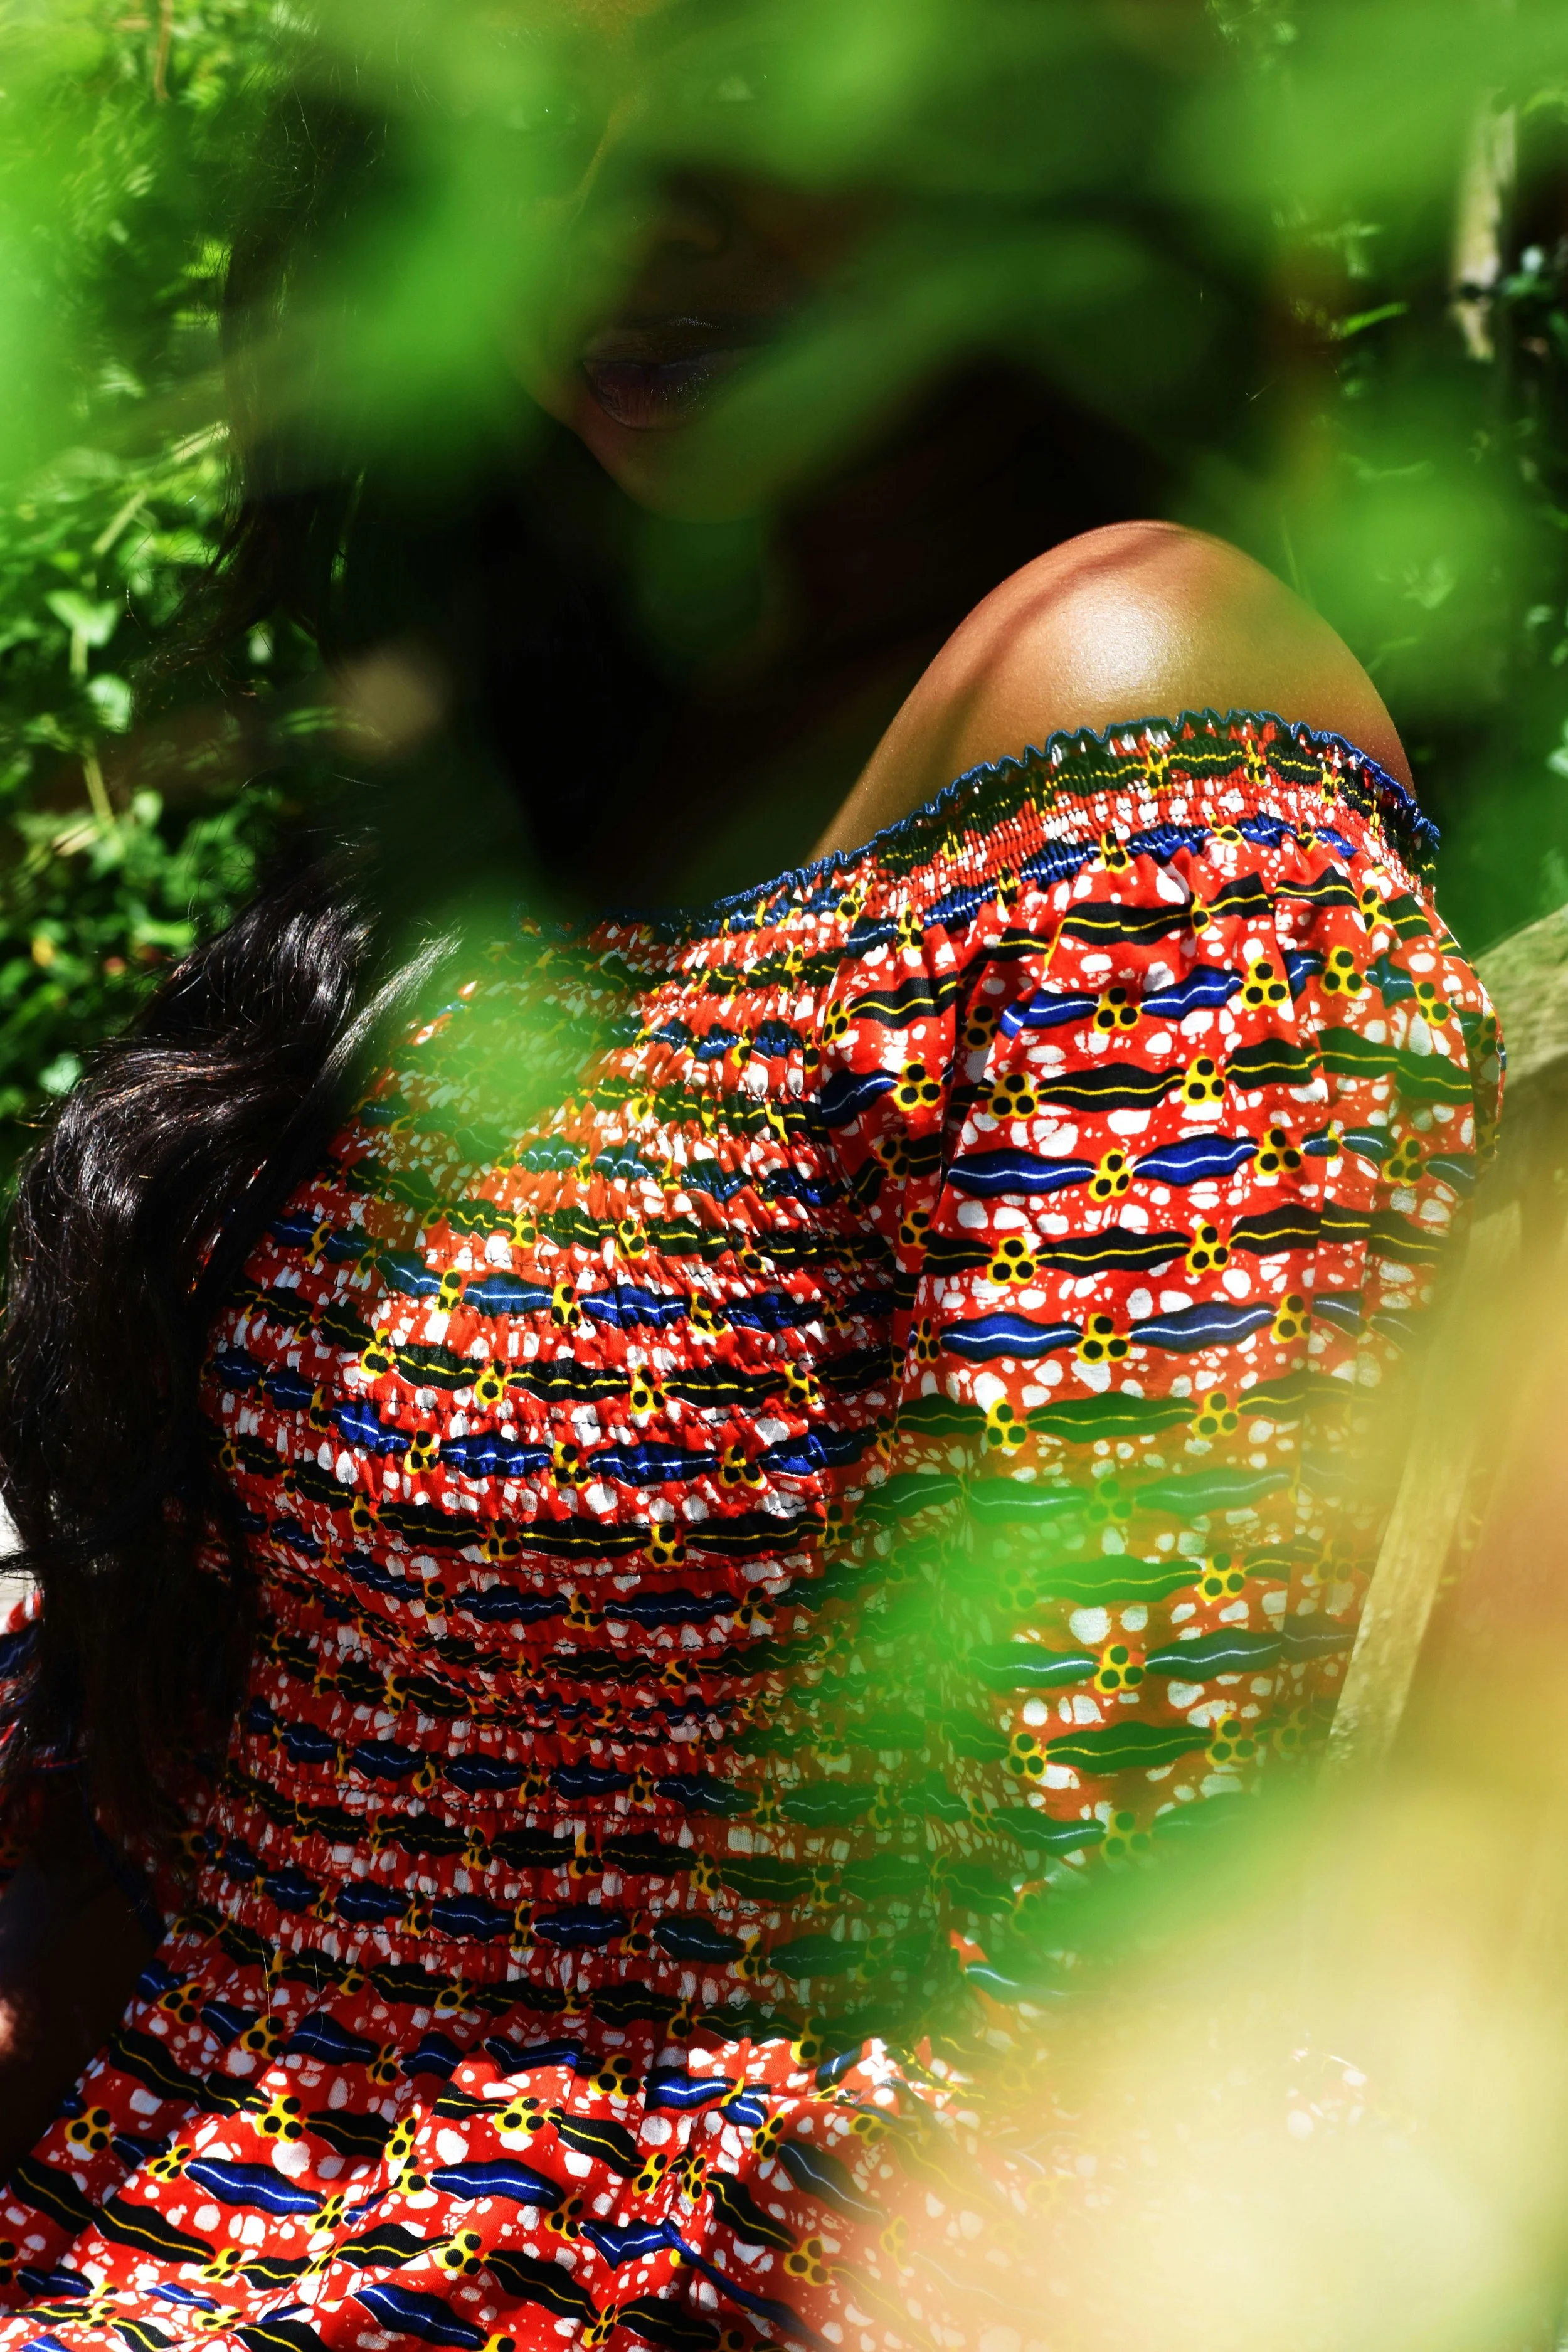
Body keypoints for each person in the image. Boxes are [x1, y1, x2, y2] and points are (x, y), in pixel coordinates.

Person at [0, 16, 1498, 2351]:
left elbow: (1071, 1969)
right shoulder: (593, 728)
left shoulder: (1145, 761)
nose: (610, 197)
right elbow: (217, 1759)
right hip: (179, 2193)